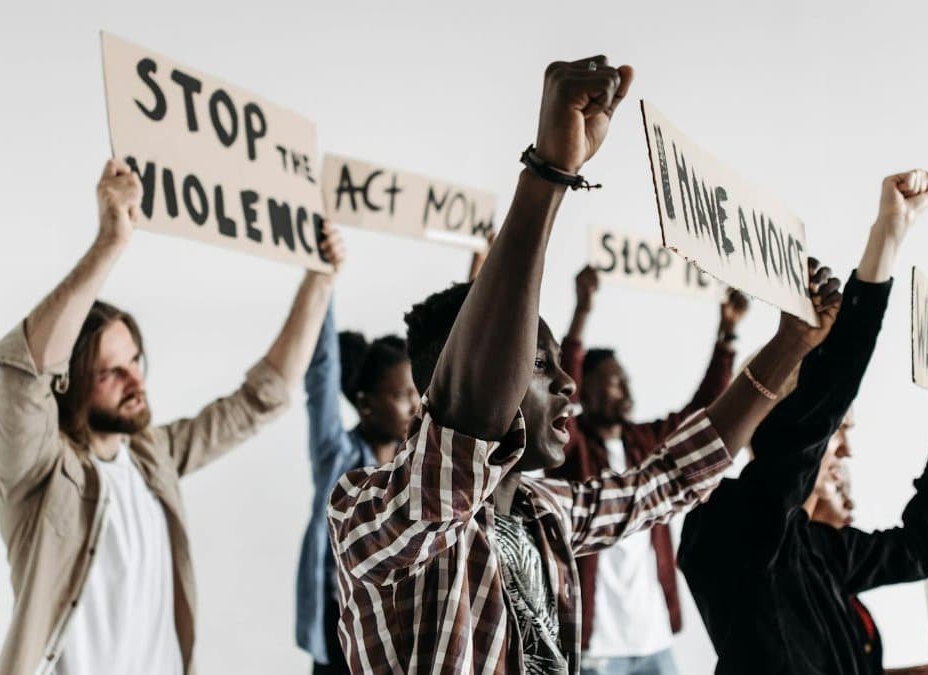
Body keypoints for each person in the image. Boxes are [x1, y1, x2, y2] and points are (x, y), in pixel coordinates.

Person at [326, 54, 842, 674]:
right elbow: (466, 428)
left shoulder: (545, 512)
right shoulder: (369, 511)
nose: (566, 379)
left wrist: (792, 342)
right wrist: (548, 174)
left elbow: (671, 477)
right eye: (538, 365)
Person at [0, 158, 346, 675]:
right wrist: (110, 243)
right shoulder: (36, 472)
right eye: (112, 372)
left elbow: (261, 399)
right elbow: (24, 375)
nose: (136, 380)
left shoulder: (152, 456)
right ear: (72, 383)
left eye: (135, 360)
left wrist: (320, 279)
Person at [677, 170, 928, 675]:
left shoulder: (818, 550)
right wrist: (886, 239)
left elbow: (919, 549)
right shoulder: (728, 524)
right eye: (837, 433)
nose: (844, 452)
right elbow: (815, 411)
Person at [548, 266, 748, 675]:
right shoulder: (573, 448)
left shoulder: (646, 441)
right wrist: (581, 314)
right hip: (596, 649)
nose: (626, 390)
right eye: (614, 382)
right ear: (586, 391)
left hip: (654, 640)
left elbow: (705, 412)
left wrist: (726, 336)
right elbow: (561, 399)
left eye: (626, 380)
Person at [298, 246, 486, 674]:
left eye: (415, 395)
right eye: (401, 396)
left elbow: (449, 367)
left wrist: (476, 283)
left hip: (401, 628)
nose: (414, 406)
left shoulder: (415, 462)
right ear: (365, 405)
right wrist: (324, 278)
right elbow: (321, 372)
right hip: (339, 626)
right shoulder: (337, 457)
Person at [811, 415, 928, 675]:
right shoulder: (795, 558)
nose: (851, 505)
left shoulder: (830, 571)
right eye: (839, 488)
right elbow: (918, 549)